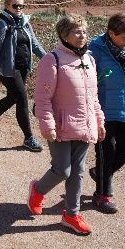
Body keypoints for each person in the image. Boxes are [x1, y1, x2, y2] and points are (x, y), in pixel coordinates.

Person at [27, 14, 106, 236]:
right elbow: (42, 98)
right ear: (64, 35)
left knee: (78, 172)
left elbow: (94, 97)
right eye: (77, 32)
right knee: (62, 170)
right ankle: (37, 189)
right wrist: (47, 125)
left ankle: (71, 214)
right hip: (60, 125)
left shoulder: (89, 60)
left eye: (84, 31)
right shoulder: (52, 60)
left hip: (85, 125)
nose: (83, 36)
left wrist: (99, 121)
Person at [88, 13, 125, 214]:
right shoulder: (94, 51)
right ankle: (103, 194)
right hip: (103, 111)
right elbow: (87, 83)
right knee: (106, 153)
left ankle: (100, 174)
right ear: (111, 33)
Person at [0, 0, 47, 152]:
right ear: (7, 6)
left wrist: (50, 59)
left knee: (13, 97)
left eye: (21, 6)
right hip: (7, 69)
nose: (19, 9)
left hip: (23, 67)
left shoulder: (25, 22)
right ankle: (28, 138)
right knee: (22, 99)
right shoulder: (1, 24)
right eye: (15, 6)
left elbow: (35, 44)